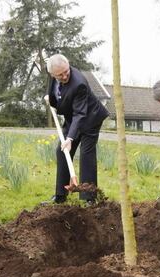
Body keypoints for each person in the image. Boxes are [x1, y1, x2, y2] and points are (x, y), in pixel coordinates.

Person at [45, 54, 109, 203]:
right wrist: (51, 98)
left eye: (66, 71)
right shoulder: (53, 74)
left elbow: (80, 113)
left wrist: (70, 138)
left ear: (69, 65)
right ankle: (60, 196)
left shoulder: (79, 83)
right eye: (60, 75)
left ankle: (89, 197)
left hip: (90, 118)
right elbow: (57, 92)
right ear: (52, 74)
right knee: (62, 152)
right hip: (72, 118)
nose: (65, 75)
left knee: (86, 155)